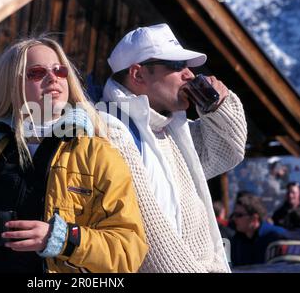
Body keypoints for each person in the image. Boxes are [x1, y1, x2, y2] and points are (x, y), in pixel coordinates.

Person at [0, 36, 148, 273]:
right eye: (37, 72)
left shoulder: (99, 154)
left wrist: (63, 239)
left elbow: (128, 252)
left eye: (60, 70)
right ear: (12, 84)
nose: (53, 78)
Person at [100, 23, 247, 272]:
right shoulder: (112, 130)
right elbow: (152, 236)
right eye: (177, 66)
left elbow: (227, 150)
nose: (189, 74)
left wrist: (216, 107)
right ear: (138, 75)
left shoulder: (170, 128)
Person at [230, 194, 287, 266]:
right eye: (234, 215)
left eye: (239, 215)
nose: (234, 218)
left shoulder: (277, 237)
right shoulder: (236, 241)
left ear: (254, 218)